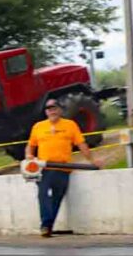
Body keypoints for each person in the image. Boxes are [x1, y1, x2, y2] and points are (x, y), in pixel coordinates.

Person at [26, 99, 103, 237]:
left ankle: (48, 226)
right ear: (46, 112)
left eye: (54, 108)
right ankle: (45, 224)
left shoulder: (70, 125)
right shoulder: (38, 127)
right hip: (44, 168)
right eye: (48, 108)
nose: (52, 111)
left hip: (63, 168)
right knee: (43, 195)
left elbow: (81, 144)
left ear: (60, 110)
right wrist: (29, 155)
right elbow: (31, 145)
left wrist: (92, 161)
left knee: (57, 197)